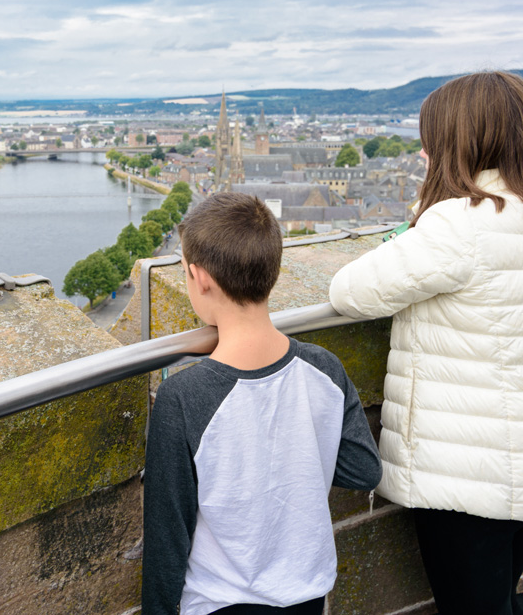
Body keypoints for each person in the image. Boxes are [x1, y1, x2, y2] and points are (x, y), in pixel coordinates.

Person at [329, 70, 523, 614]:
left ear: (457, 142)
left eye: (430, 138)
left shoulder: (459, 224)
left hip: (468, 478)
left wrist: (422, 215)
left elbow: (349, 291)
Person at [143, 192, 381, 615]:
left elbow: (167, 540)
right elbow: (364, 469)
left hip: (222, 603)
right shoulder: (324, 368)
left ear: (199, 278)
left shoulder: (183, 397)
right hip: (306, 595)